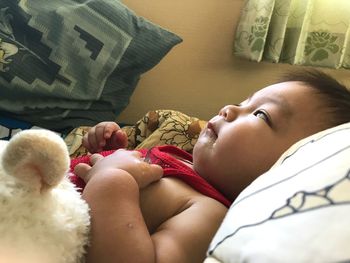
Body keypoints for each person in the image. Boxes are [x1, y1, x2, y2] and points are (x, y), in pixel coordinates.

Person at [71, 69, 350, 263]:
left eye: (261, 114)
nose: (228, 108)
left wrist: (110, 177)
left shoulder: (207, 213)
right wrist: (109, 151)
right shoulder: (183, 160)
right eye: (245, 101)